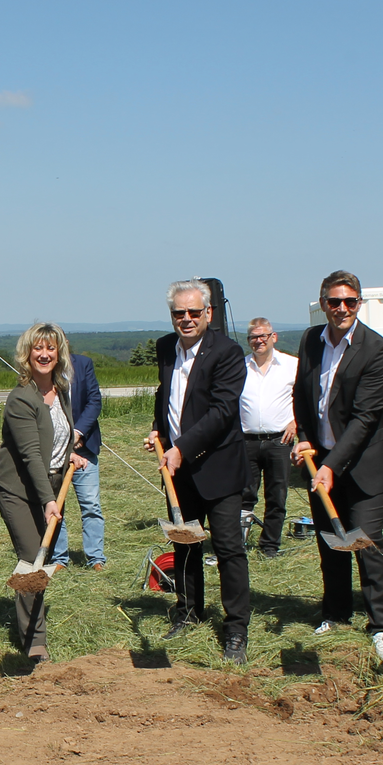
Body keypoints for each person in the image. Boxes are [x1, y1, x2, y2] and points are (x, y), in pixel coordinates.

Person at [292, 271, 383, 663]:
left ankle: (381, 625)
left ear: (359, 304)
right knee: (330, 541)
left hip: (366, 464)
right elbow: (303, 393)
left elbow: (365, 418)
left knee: (366, 541)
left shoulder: (377, 349)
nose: (342, 309)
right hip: (321, 460)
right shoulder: (310, 340)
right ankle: (336, 614)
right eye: (334, 301)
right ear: (323, 303)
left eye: (350, 301)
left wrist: (332, 465)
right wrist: (304, 435)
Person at [144, 279, 252, 663]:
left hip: (218, 467)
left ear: (208, 313)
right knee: (185, 544)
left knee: (228, 550)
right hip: (178, 469)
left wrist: (182, 448)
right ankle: (188, 612)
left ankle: (236, 629)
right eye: (179, 313)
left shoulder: (227, 352)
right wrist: (159, 429)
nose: (186, 319)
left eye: (193, 312)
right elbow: (167, 395)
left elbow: (223, 412)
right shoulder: (165, 348)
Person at [0, 322, 88, 663]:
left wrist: (69, 456)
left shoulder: (60, 391)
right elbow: (32, 454)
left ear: (59, 353)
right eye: (38, 348)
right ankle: (35, 641)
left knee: (43, 558)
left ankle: (33, 625)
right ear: (27, 354)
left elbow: (55, 440)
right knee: (32, 558)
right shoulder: (22, 398)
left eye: (51, 348)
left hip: (51, 484)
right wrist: (48, 500)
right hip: (19, 489)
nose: (44, 354)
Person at [239, 318, 298, 557]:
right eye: (254, 337)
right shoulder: (240, 367)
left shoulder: (292, 365)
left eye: (263, 336)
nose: (259, 340)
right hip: (247, 441)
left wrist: (297, 422)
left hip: (279, 441)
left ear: (274, 337)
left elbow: (307, 397)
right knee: (244, 495)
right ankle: (237, 544)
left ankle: (269, 545)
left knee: (277, 495)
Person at [51, 351, 107, 571]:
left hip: (85, 446)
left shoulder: (83, 363)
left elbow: (94, 400)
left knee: (91, 504)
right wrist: (64, 440)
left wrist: (78, 432)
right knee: (56, 505)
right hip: (54, 450)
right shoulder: (43, 369)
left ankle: (96, 558)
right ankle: (59, 558)